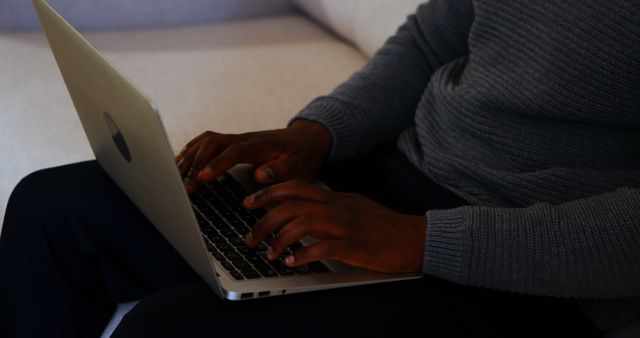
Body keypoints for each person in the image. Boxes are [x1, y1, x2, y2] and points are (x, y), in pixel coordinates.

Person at [1, 0, 639, 337]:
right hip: (398, 176)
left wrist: (417, 241)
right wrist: (313, 134)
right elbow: (431, 39)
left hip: (529, 275)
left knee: (167, 328)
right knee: (52, 211)